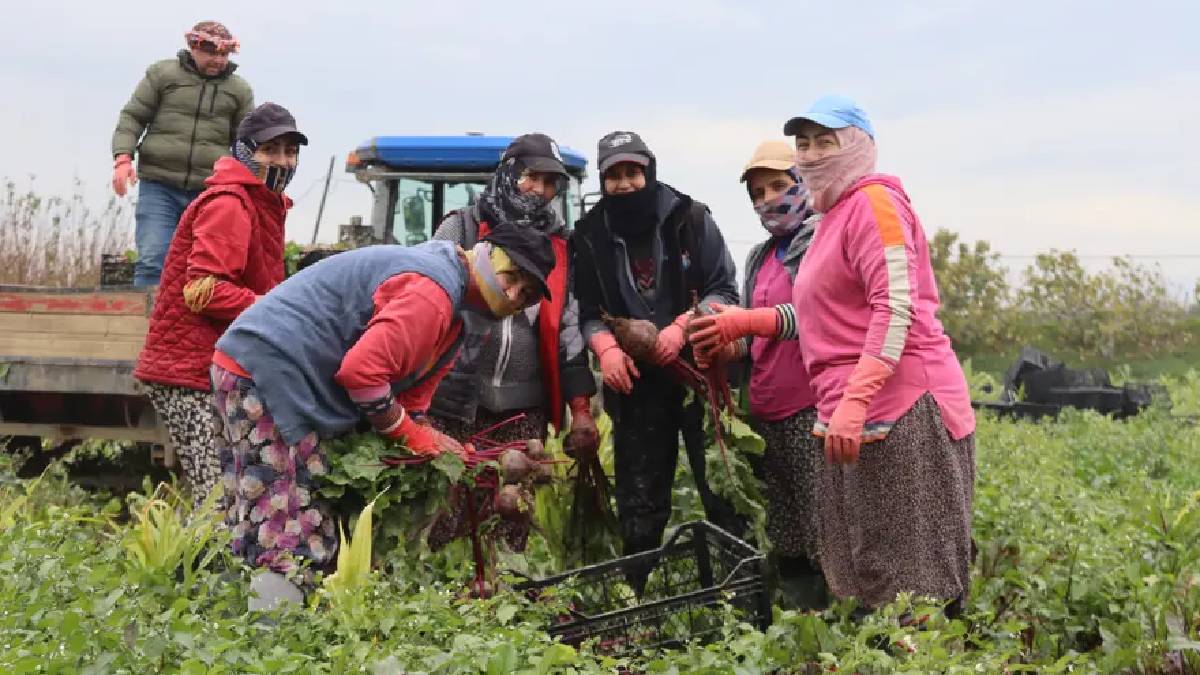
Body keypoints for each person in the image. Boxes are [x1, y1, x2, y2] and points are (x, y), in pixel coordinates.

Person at [690, 96, 975, 616]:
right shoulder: (833, 219)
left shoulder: (875, 204)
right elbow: (818, 317)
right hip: (858, 411)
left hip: (904, 407)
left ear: (861, 146)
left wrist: (854, 400)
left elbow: (896, 310)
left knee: (914, 573)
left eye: (827, 141)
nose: (814, 154)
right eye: (804, 143)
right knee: (869, 565)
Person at [211, 224, 555, 608]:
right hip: (266, 372)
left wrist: (425, 431)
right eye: (511, 278)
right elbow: (362, 374)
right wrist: (411, 434)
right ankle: (267, 647)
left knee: (260, 514)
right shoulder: (434, 292)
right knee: (289, 530)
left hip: (259, 368)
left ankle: (232, 622)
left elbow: (411, 395)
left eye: (525, 296)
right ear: (488, 254)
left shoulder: (454, 310)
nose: (511, 294)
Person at [571, 130, 743, 572]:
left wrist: (682, 329)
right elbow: (587, 311)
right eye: (614, 176)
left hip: (701, 375)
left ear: (649, 171)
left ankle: (740, 595)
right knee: (640, 502)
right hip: (636, 385)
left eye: (633, 172)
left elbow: (724, 287)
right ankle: (638, 595)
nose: (625, 184)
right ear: (603, 181)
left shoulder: (690, 218)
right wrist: (607, 349)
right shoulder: (588, 235)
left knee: (723, 491)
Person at [134, 103, 305, 506]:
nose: (282, 161)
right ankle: (195, 568)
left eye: (290, 151)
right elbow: (204, 290)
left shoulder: (262, 204)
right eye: (271, 150)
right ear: (245, 152)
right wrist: (275, 309)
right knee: (216, 496)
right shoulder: (230, 202)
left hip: (213, 367)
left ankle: (208, 566)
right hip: (189, 371)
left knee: (228, 491)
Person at [700, 139, 826, 608]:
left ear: (803, 181)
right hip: (768, 411)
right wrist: (727, 341)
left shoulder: (820, 240)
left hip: (813, 408)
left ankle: (836, 631)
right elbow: (756, 338)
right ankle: (801, 630)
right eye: (758, 193)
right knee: (786, 530)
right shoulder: (760, 256)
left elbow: (820, 316)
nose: (769, 199)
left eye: (778, 185)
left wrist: (749, 321)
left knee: (823, 528)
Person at [429, 134, 598, 453]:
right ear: (508, 173)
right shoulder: (462, 228)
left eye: (550, 182)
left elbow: (570, 330)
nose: (540, 190)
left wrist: (580, 410)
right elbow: (427, 302)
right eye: (531, 177)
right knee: (447, 497)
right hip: (451, 399)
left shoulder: (561, 248)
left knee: (511, 497)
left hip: (523, 409)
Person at [111, 20, 254, 287]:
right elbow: (133, 117)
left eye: (223, 54)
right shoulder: (162, 75)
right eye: (212, 53)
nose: (218, 60)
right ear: (194, 47)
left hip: (210, 192)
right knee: (154, 258)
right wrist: (123, 158)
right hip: (159, 185)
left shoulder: (239, 91)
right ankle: (148, 325)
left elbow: (245, 143)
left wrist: (247, 186)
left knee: (205, 264)